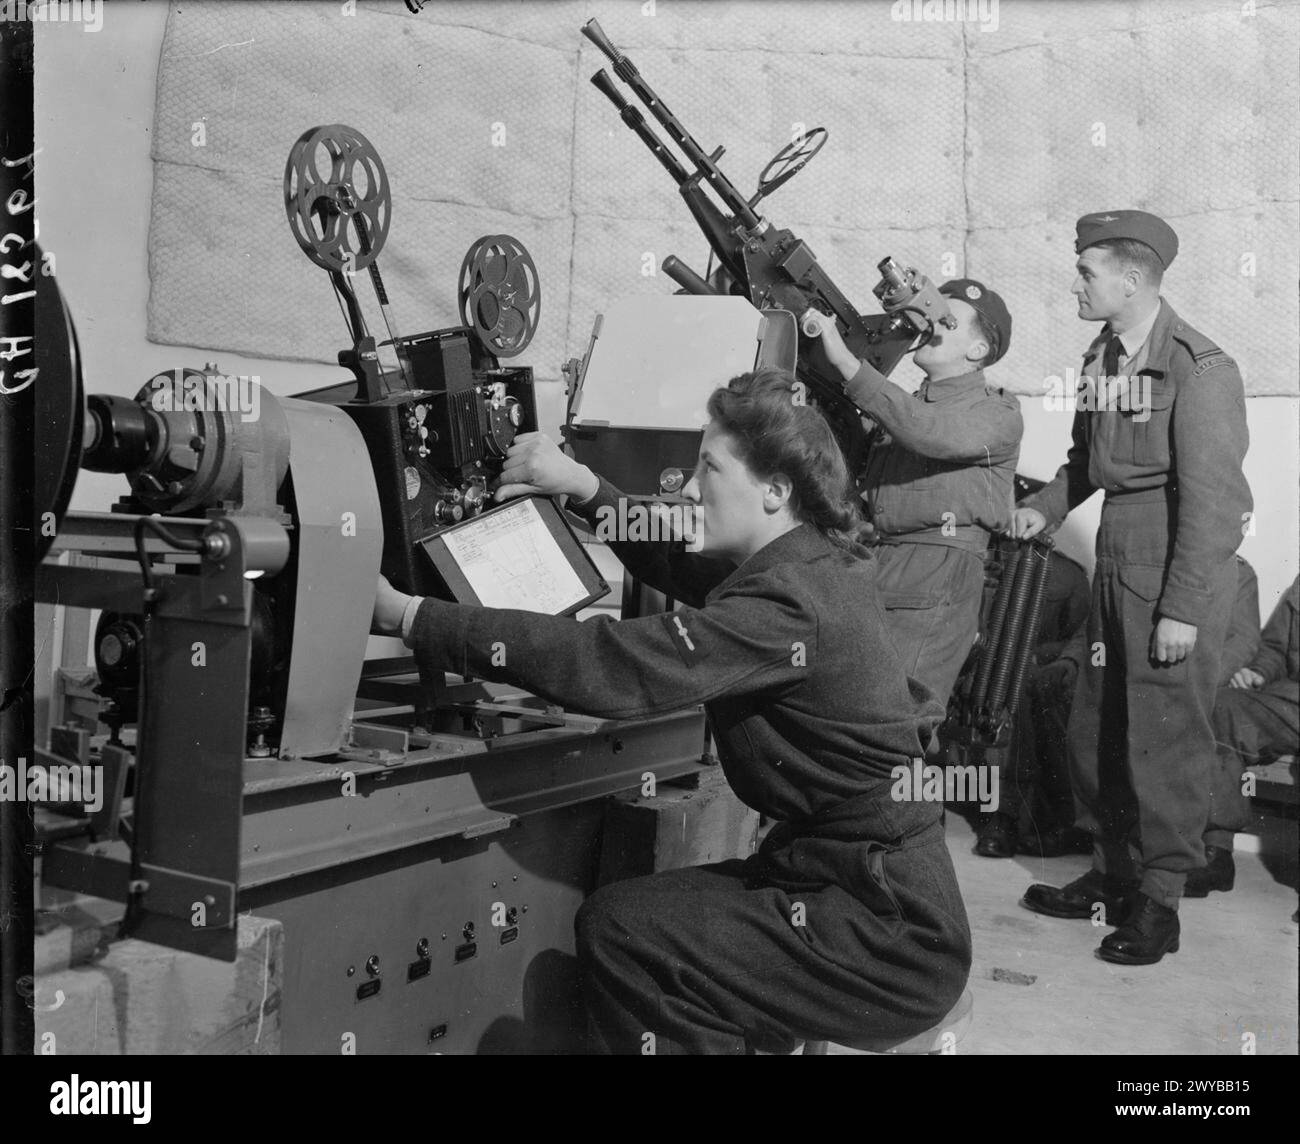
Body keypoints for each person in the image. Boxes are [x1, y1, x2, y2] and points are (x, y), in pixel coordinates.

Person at [373, 367, 971, 1054]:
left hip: (882, 930)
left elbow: (612, 666)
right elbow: (686, 566)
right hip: (862, 890)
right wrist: (583, 488)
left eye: (710, 469)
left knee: (627, 932)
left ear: (775, 491)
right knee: (649, 925)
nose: (689, 488)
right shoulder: (813, 565)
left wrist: (414, 615)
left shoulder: (790, 603)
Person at [1013, 210, 1252, 966]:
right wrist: (1041, 510)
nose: (1075, 283)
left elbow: (1216, 505)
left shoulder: (1198, 368)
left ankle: (1161, 900)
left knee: (1164, 740)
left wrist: (1182, 608)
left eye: (1086, 271)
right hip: (1114, 553)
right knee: (1098, 726)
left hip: (1170, 558)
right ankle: (1113, 872)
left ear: (1132, 277)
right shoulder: (1103, 359)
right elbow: (1085, 463)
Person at [808, 280, 1023, 709]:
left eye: (946, 318)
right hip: (883, 560)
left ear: (978, 350)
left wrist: (850, 366)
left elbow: (931, 433)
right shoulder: (905, 406)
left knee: (896, 715)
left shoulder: (997, 411)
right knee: (851, 712)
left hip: (938, 568)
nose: (928, 322)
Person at [970, 544, 1092, 858]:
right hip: (966, 663)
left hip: (1021, 674)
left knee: (1016, 685)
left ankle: (1004, 816)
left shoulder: (1067, 575)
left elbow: (1081, 636)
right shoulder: (968, 550)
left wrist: (1040, 656)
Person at [1196, 572, 1300, 897]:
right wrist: (1257, 672)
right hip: (1293, 700)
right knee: (1222, 709)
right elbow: (1275, 648)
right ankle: (1216, 853)